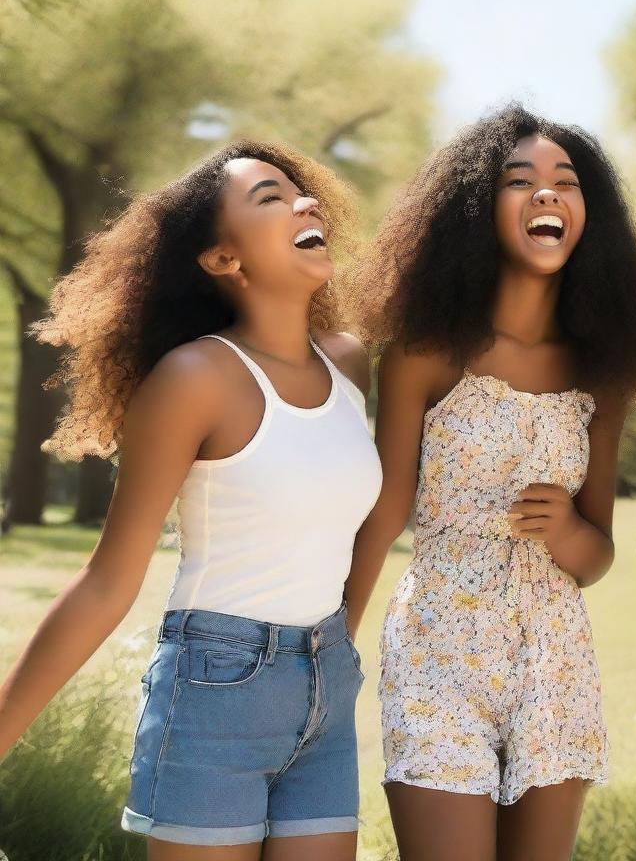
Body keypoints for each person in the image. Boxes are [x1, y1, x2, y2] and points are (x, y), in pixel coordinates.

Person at [0, 142, 382, 860]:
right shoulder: (195, 377)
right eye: (270, 197)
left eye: (304, 193)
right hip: (216, 689)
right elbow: (108, 581)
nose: (306, 202)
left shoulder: (349, 362)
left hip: (326, 686)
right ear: (223, 260)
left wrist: (337, 650)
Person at [343, 105, 636, 861]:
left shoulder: (602, 372)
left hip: (555, 656)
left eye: (567, 182)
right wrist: (332, 646)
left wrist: (564, 531)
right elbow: (385, 514)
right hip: (437, 650)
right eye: (519, 181)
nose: (546, 194)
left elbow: (595, 559)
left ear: (592, 214)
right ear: (474, 212)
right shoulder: (425, 354)